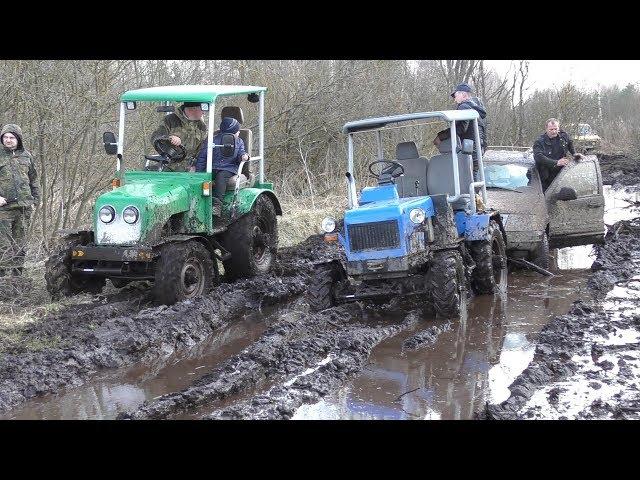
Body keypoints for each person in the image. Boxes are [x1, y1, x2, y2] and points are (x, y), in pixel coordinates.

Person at [0, 124, 41, 276]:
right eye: (5, 137)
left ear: (18, 139)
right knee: (3, 246)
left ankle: (17, 279)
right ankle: (3, 281)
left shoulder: (27, 156)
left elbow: (34, 179)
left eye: (11, 137)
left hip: (23, 208)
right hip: (3, 209)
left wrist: (36, 199)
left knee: (20, 245)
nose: (8, 140)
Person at [195, 117, 249, 217]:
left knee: (221, 177)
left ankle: (217, 204)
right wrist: (199, 172)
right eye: (237, 131)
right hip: (212, 167)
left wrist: (243, 156)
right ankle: (197, 202)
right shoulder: (213, 140)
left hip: (229, 168)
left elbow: (241, 152)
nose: (239, 133)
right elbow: (203, 156)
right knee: (203, 179)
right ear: (230, 132)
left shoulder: (239, 141)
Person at [434, 82, 487, 175]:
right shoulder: (475, 110)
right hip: (478, 149)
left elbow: (461, 128)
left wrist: (440, 137)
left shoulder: (464, 107)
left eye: (456, 95)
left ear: (463, 94)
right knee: (474, 176)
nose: (455, 99)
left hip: (470, 151)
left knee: (469, 179)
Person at [150, 102, 207, 171]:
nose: (204, 112)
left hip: (189, 170)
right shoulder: (170, 120)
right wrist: (170, 138)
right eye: (202, 109)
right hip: (168, 167)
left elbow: (202, 150)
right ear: (193, 109)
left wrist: (196, 166)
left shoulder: (201, 126)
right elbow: (156, 137)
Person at [533, 118, 584, 192]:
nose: (554, 132)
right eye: (551, 129)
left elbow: (569, 142)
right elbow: (538, 157)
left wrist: (574, 153)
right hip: (545, 176)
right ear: (546, 129)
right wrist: (556, 162)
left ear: (558, 128)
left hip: (561, 174)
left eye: (555, 129)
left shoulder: (563, 136)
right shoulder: (539, 141)